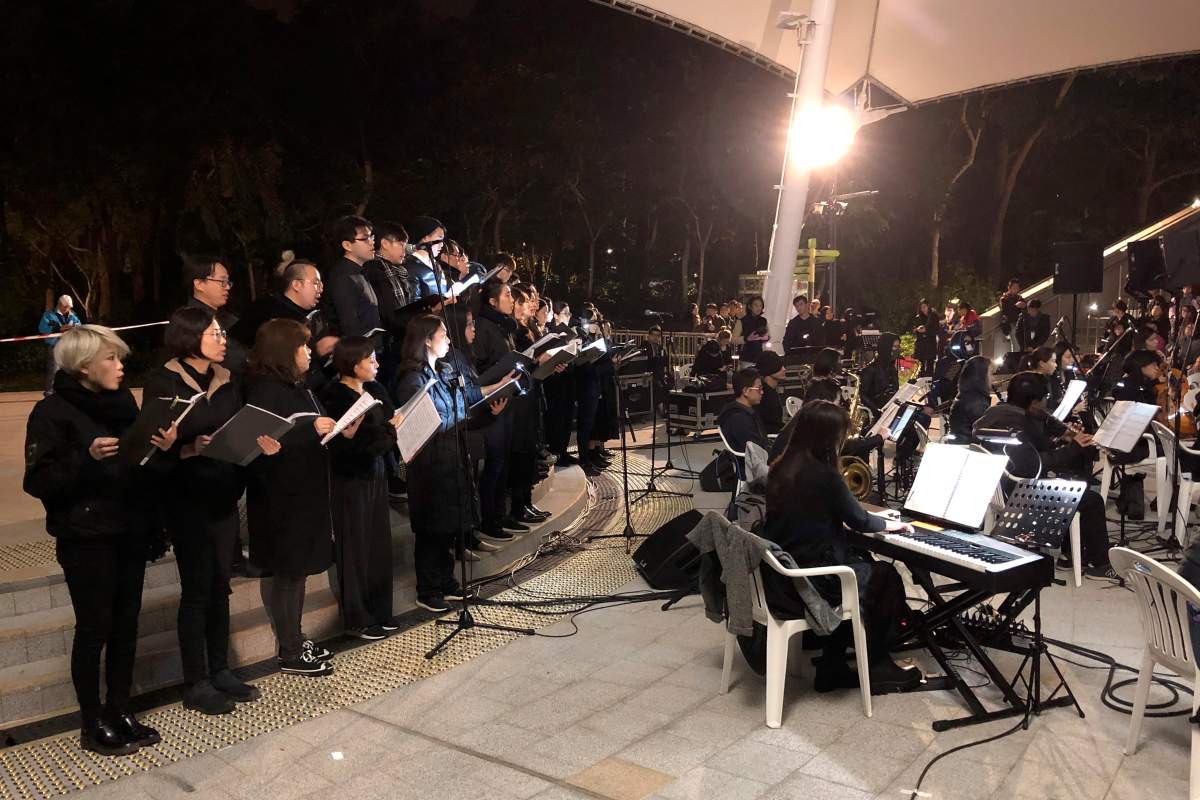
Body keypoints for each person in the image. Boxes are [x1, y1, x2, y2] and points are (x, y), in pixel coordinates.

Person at [23, 326, 172, 754]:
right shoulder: (52, 412)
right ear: (85, 365)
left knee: (126, 626)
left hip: (130, 528)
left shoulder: (124, 404)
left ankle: (121, 709)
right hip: (86, 535)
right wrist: (85, 461)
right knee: (95, 629)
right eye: (111, 358)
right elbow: (38, 481)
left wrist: (158, 449)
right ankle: (92, 724)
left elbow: (136, 467)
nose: (120, 365)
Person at [140, 307, 262, 715]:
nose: (222, 338)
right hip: (185, 497)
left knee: (220, 586)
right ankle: (196, 681)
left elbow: (235, 426)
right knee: (197, 590)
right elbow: (152, 441)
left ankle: (221, 669)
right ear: (190, 336)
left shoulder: (226, 379)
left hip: (222, 493)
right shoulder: (164, 380)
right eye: (214, 333)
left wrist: (253, 443)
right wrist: (187, 447)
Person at [765, 400, 922, 693]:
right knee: (884, 577)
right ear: (828, 438)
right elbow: (860, 520)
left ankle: (832, 665)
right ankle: (877, 665)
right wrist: (892, 524)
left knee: (859, 559)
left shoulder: (781, 467)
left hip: (783, 573)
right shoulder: (824, 476)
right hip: (813, 579)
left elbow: (812, 514)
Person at [243, 319, 341, 676]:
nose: (309, 352)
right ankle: (290, 649)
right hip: (280, 499)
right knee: (288, 573)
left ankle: (295, 638)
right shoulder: (263, 390)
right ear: (285, 351)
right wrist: (308, 430)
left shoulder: (296, 385)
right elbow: (264, 444)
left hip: (305, 490)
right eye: (303, 346)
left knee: (297, 573)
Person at [395, 315, 506, 612]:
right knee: (433, 527)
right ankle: (428, 589)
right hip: (430, 464)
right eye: (443, 334)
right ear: (426, 340)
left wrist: (492, 403)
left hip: (452, 456)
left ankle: (446, 581)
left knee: (449, 525)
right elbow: (428, 422)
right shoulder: (412, 380)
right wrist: (461, 417)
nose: (448, 339)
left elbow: (462, 405)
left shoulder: (442, 371)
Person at [973, 372, 1113, 578]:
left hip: (997, 488)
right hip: (1020, 494)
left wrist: (1060, 440)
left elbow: (1028, 455)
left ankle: (1071, 553)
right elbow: (1033, 467)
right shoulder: (1018, 425)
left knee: (1070, 481)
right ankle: (1099, 563)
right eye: (1043, 400)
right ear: (1034, 402)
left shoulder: (994, 414)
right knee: (1090, 499)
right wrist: (1073, 447)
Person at [319, 337, 404, 641]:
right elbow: (357, 446)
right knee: (355, 548)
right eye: (371, 360)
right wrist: (389, 432)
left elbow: (388, 427)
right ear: (354, 364)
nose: (377, 364)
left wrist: (388, 433)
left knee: (378, 544)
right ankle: (358, 618)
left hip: (378, 474)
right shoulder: (334, 395)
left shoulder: (376, 389)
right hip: (350, 479)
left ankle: (381, 610)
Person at [230, 258, 338, 390]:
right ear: (296, 285)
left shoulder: (314, 315)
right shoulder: (267, 311)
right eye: (316, 283)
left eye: (321, 284)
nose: (320, 289)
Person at [362, 222, 412, 389]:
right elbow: (388, 310)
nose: (404, 250)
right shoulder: (374, 269)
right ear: (384, 243)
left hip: (402, 339)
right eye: (401, 245)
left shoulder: (399, 271)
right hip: (387, 344)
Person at [185, 255, 247, 375]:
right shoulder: (190, 322)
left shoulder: (227, 318)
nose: (227, 287)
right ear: (199, 284)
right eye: (222, 282)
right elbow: (233, 360)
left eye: (228, 282)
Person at [323, 215, 380, 340]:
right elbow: (349, 327)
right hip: (359, 353)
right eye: (365, 239)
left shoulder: (360, 272)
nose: (372, 242)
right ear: (347, 245)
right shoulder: (343, 277)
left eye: (372, 237)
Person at [716, 368, 767, 459]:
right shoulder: (738, 418)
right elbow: (754, 449)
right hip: (753, 466)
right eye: (759, 389)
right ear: (746, 391)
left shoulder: (742, 411)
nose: (762, 392)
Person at [39, 294, 81, 395]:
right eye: (66, 306)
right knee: (54, 370)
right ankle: (49, 393)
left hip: (69, 346)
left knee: (70, 370)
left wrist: (76, 327)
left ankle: (67, 391)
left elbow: (80, 326)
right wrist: (59, 328)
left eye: (69, 306)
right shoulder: (48, 315)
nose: (68, 308)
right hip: (55, 346)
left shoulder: (73, 316)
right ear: (59, 305)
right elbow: (42, 328)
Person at [948, 355, 993, 442]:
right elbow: (982, 434)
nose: (992, 377)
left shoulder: (964, 395)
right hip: (970, 447)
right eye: (990, 373)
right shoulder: (977, 402)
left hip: (958, 444)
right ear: (981, 376)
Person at [858, 332, 901, 412]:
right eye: (895, 346)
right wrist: (877, 410)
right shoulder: (871, 369)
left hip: (892, 408)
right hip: (878, 412)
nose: (897, 350)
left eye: (898, 346)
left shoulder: (891, 367)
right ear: (886, 347)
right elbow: (862, 395)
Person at [755, 351, 787, 436]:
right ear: (770, 369)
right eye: (780, 367)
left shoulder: (768, 391)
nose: (784, 369)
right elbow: (772, 425)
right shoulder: (765, 395)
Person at [909, 298, 939, 377]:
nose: (923, 309)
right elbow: (914, 329)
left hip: (930, 342)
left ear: (928, 306)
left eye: (925, 307)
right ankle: (921, 378)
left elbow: (936, 329)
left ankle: (929, 379)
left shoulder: (933, 316)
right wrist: (918, 330)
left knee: (930, 364)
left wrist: (926, 331)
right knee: (921, 365)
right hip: (921, 343)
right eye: (922, 307)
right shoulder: (918, 317)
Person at [740, 295, 770, 363]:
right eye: (756, 305)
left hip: (759, 356)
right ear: (750, 306)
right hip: (746, 356)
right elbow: (732, 339)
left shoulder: (763, 320)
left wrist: (766, 337)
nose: (758, 308)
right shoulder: (742, 321)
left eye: (760, 305)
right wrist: (747, 338)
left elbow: (768, 335)